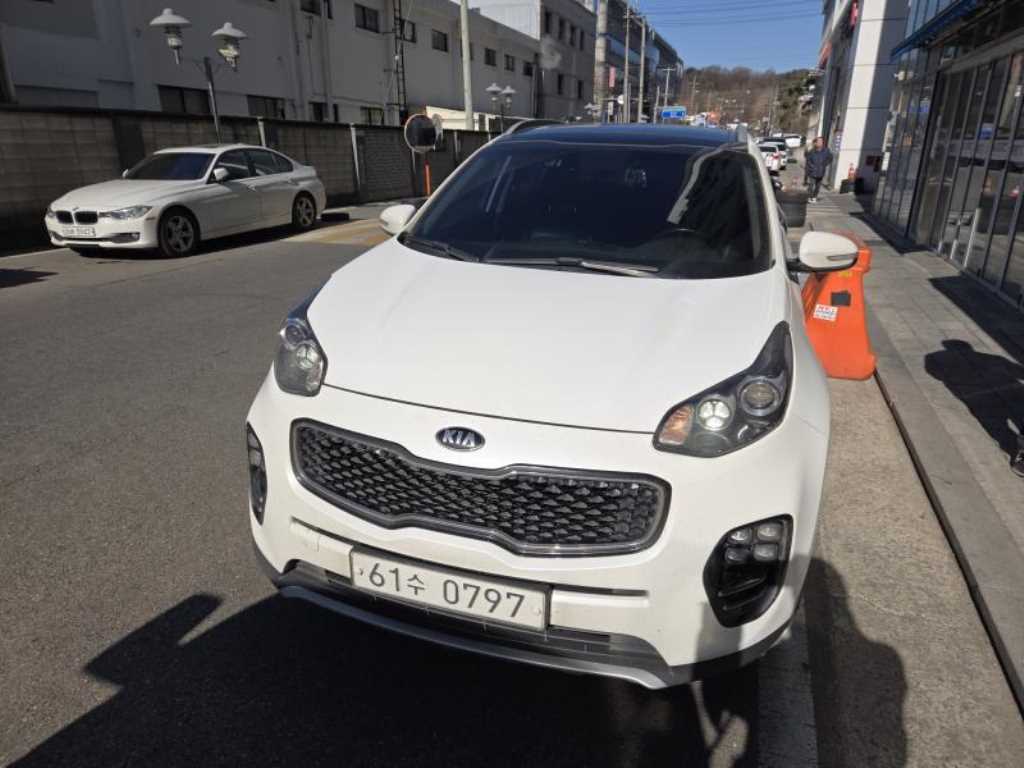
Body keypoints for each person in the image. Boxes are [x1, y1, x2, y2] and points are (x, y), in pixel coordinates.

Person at [805, 136, 832, 203]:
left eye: (821, 141)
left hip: (821, 171)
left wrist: (824, 164)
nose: (820, 143)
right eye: (819, 141)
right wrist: (811, 166)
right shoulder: (812, 151)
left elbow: (830, 158)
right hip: (812, 171)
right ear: (815, 143)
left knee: (818, 186)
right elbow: (808, 159)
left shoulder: (826, 151)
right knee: (811, 185)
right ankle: (809, 197)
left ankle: (814, 197)